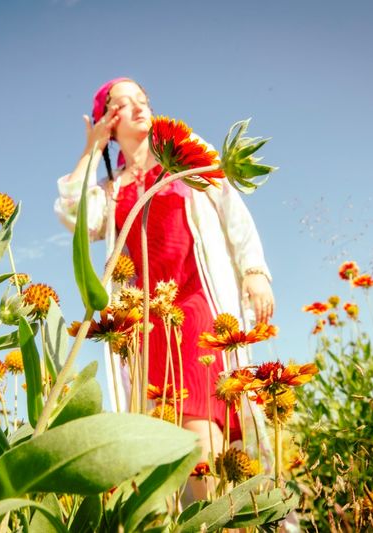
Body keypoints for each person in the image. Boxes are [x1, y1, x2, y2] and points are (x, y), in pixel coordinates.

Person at [54, 78, 274, 498]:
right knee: (163, 429)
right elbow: (71, 212)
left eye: (142, 99)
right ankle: (201, 516)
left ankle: (211, 516)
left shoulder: (186, 153)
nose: (138, 107)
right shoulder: (111, 188)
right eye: (122, 104)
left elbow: (232, 206)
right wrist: (91, 149)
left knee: (198, 419)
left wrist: (255, 270)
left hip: (197, 301)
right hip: (144, 323)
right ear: (107, 121)